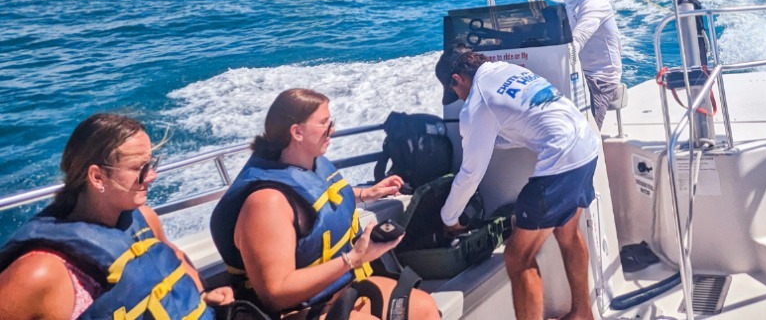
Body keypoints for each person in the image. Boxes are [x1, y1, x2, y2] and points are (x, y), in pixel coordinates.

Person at [209, 89, 439, 320]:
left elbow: (322, 198)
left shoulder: (310, 163)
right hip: (297, 310)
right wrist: (353, 259)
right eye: (324, 124)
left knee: (426, 308)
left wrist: (367, 193)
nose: (333, 130)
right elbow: (275, 294)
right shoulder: (266, 204)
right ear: (297, 132)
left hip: (340, 288)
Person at [0, 113, 232, 320]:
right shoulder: (40, 272)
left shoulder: (144, 218)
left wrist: (203, 294)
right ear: (97, 177)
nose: (151, 176)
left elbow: (172, 257)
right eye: (137, 168)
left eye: (151, 164)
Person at [435, 46, 598, 320]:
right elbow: (520, 123)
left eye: (455, 92)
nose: (458, 98)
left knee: (517, 257)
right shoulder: (507, 70)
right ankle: (582, 314)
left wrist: (449, 218)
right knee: (567, 233)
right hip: (586, 145)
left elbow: (471, 174)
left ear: (457, 79)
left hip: (562, 161)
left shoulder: (478, 101)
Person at [551, 0, 623, 128]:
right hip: (576, 73)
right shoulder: (569, 5)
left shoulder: (595, 2)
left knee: (586, 134)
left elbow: (578, 38)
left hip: (601, 79)